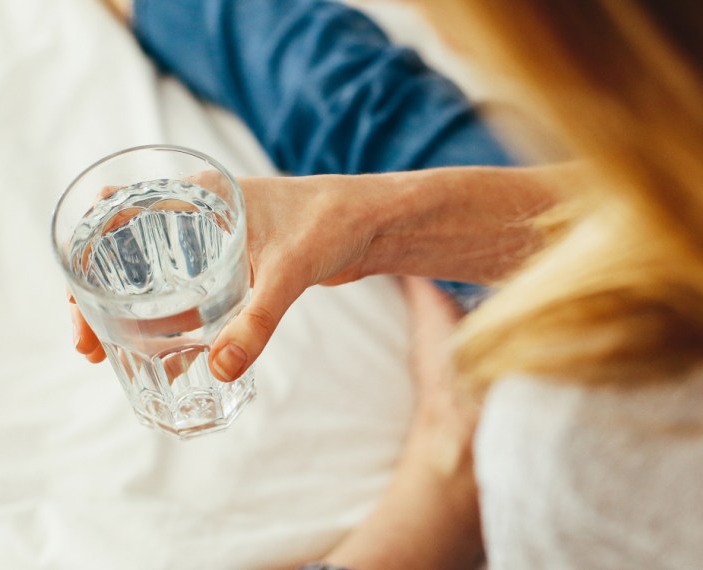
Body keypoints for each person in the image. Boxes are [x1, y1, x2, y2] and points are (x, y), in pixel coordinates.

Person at [73, 0, 703, 568]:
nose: (441, 33)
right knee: (357, 102)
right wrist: (372, 219)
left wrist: (440, 478)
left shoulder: (582, 442)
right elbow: (666, 214)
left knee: (366, 106)